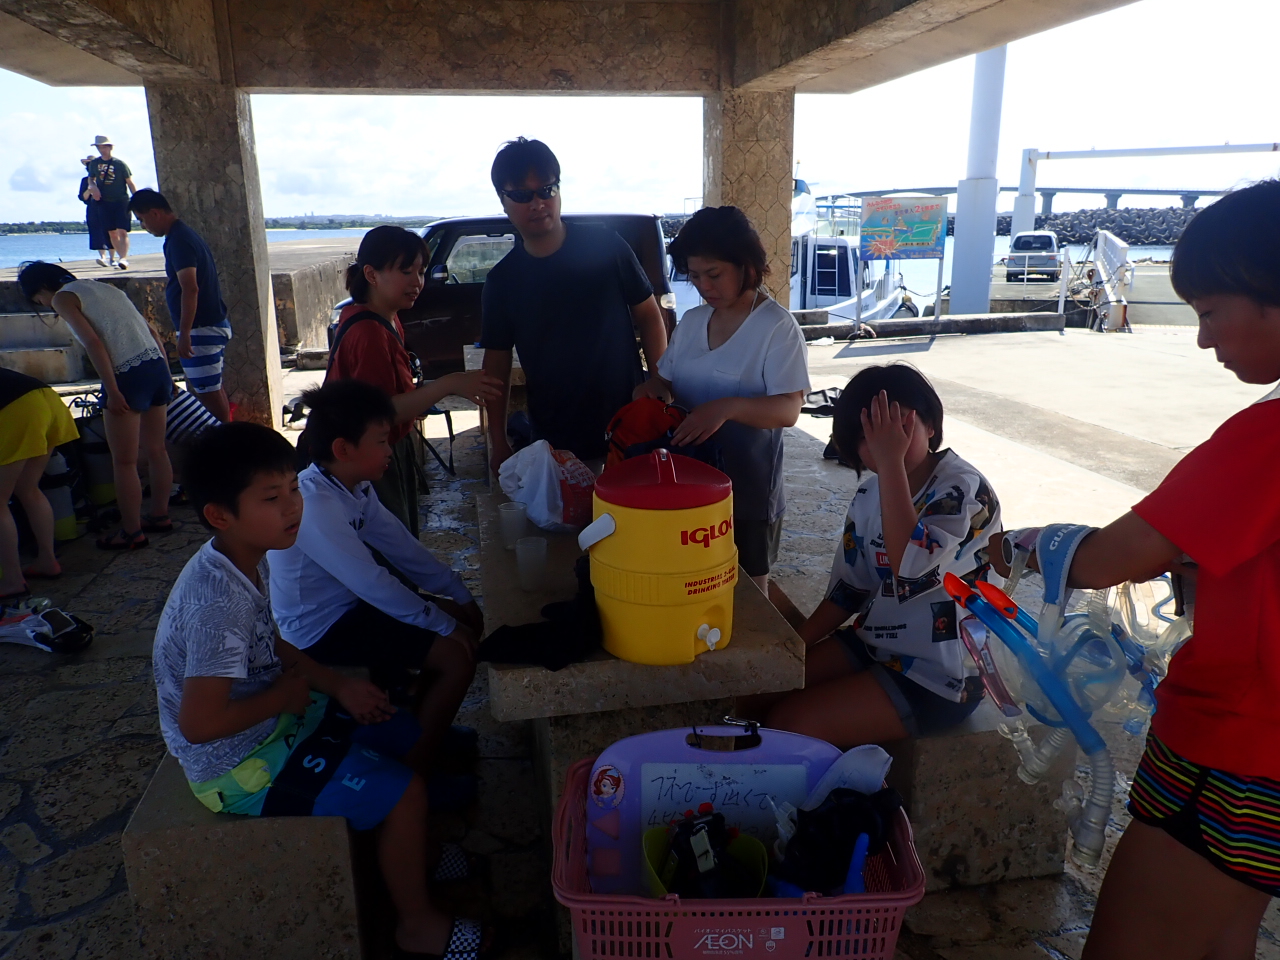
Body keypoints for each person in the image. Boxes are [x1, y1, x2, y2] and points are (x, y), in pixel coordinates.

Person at [971, 181, 1280, 960]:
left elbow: (1108, 559)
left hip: (1236, 743)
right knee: (1221, 935)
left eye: (1211, 311)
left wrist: (1026, 544)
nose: (1204, 340)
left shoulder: (1264, 439)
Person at [154, 422, 490, 959]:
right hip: (238, 765)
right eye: (271, 498)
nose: (293, 507)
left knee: (399, 731)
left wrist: (337, 685)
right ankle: (416, 925)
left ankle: (413, 853)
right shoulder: (217, 604)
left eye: (293, 489)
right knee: (405, 790)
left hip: (275, 720)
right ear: (220, 515)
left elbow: (270, 642)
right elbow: (198, 725)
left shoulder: (241, 556)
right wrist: (282, 700)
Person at [754, 365, 999, 746]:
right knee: (757, 689)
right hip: (875, 643)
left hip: (942, 675)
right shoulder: (870, 495)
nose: (886, 443)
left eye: (899, 428)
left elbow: (911, 570)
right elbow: (849, 590)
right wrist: (791, 649)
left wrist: (888, 462)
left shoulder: (962, 491)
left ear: (931, 425)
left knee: (791, 723)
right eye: (869, 435)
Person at [270, 379, 481, 775]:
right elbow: (372, 583)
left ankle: (421, 730)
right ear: (343, 449)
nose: (389, 450)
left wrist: (457, 592)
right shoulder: (315, 503)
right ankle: (414, 772)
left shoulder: (353, 487)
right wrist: (443, 623)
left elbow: (402, 547)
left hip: (350, 610)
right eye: (382, 441)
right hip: (318, 631)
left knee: (455, 619)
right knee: (456, 656)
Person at [633, 206, 809, 590]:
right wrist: (651, 392)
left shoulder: (776, 327)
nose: (704, 286)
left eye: (714, 274)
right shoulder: (693, 321)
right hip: (684, 482)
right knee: (690, 582)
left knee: (748, 591)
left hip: (747, 490)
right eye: (694, 276)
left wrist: (727, 408)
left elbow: (788, 409)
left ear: (746, 265)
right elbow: (665, 380)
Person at [480, 137, 668, 473]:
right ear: (503, 201)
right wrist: (498, 441)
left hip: (628, 427)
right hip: (556, 440)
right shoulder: (503, 281)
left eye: (547, 190)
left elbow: (649, 315)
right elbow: (496, 364)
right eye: (522, 195)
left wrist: (659, 380)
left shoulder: (606, 246)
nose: (538, 203)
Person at [327, 225, 502, 536]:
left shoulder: (387, 318)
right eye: (406, 271)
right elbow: (383, 412)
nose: (417, 282)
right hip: (364, 459)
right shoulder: (368, 332)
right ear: (371, 274)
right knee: (388, 546)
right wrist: (448, 384)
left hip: (385, 450)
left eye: (421, 272)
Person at [18, 261, 174, 551]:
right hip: (155, 365)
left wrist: (112, 390)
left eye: (38, 300)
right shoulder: (105, 288)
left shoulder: (63, 297)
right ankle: (160, 515)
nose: (44, 305)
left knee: (124, 461)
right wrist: (165, 372)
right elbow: (151, 331)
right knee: (157, 450)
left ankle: (132, 532)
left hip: (126, 373)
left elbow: (92, 342)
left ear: (41, 289)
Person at [129, 188, 233, 424]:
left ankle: (225, 437)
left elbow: (190, 287)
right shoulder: (182, 235)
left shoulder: (179, 240)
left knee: (208, 392)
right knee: (211, 387)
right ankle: (224, 432)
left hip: (200, 328)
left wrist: (185, 333)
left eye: (142, 220)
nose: (144, 226)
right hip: (207, 325)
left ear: (155, 213)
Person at [0, 368, 79, 607]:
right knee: (28, 488)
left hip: (16, 407)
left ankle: (13, 581)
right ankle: (47, 560)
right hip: (45, 398)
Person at [86, 135, 136, 269]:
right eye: (99, 147)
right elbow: (91, 178)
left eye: (104, 147)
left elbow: (130, 182)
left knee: (122, 231)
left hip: (121, 200)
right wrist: (93, 187)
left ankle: (123, 258)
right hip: (104, 202)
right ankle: (120, 258)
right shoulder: (95, 164)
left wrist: (137, 198)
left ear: (110, 147)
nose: (101, 150)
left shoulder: (119, 164)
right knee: (112, 232)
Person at [78, 157, 114, 268]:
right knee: (97, 233)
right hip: (93, 208)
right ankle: (103, 257)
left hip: (107, 207)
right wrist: (90, 189)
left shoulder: (106, 178)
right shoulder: (85, 180)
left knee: (111, 231)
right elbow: (83, 197)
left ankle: (112, 258)